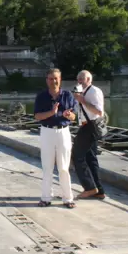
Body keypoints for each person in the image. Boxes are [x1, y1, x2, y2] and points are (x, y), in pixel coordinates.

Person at [34, 68, 77, 209]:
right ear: (47, 80)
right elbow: (37, 116)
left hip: (63, 132)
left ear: (60, 79)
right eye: (51, 79)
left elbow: (74, 116)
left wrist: (68, 115)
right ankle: (46, 197)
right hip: (47, 131)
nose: (54, 81)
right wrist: (52, 113)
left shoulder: (67, 95)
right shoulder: (41, 96)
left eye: (56, 78)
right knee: (47, 167)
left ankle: (68, 198)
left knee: (64, 167)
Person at [72, 70, 106, 200]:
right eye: (78, 79)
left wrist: (82, 100)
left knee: (77, 156)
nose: (79, 81)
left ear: (89, 79)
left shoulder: (94, 91)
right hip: (86, 126)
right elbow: (80, 111)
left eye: (82, 78)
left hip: (90, 127)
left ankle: (89, 188)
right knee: (90, 158)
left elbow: (99, 111)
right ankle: (99, 190)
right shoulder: (83, 92)